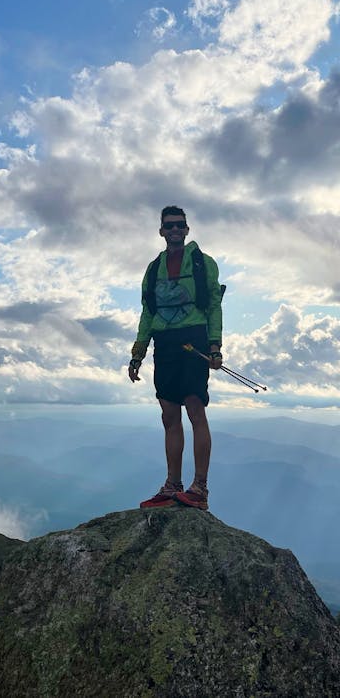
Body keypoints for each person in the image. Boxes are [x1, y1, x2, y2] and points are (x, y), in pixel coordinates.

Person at [128, 205, 223, 510]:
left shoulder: (202, 263)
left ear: (187, 229)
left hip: (193, 338)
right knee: (169, 414)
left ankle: (200, 488)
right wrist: (138, 353)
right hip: (164, 343)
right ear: (161, 231)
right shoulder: (153, 269)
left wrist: (214, 345)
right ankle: (173, 486)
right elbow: (148, 313)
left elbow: (213, 307)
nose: (174, 230)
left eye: (179, 225)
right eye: (169, 226)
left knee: (195, 408)